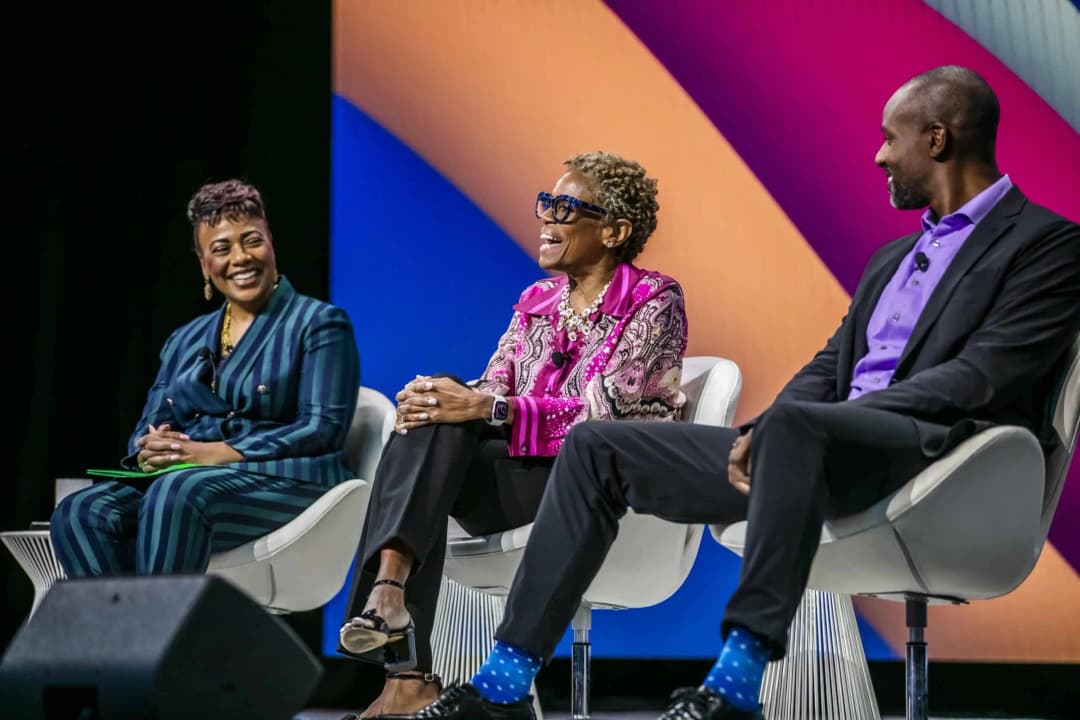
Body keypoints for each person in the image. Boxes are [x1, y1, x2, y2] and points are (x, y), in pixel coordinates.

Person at [396, 66, 1080, 720]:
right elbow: (830, 362)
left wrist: (815, 424)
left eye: (890, 136)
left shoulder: (1047, 245)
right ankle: (506, 682)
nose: (879, 156)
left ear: (937, 138)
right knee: (599, 445)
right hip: (819, 448)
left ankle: (737, 682)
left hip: (937, 457)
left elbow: (983, 376)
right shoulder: (891, 259)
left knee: (796, 427)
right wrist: (766, 430)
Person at [338, 151, 688, 718]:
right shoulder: (537, 302)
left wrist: (484, 405)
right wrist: (442, 400)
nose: (545, 218)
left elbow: (606, 415)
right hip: (519, 483)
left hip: (590, 491)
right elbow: (493, 385)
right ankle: (393, 610)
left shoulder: (653, 299)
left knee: (453, 410)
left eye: (565, 207)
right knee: (435, 408)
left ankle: (403, 661)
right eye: (545, 203)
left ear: (615, 230)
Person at [50, 179, 360, 578]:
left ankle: (160, 637)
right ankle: (129, 638)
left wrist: (217, 452)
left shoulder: (318, 323)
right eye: (221, 248)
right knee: (80, 511)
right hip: (191, 479)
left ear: (271, 243)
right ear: (203, 265)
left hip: (287, 482)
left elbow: (323, 428)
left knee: (177, 493)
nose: (241, 258)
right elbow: (148, 425)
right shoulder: (186, 338)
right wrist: (152, 448)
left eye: (252, 241)